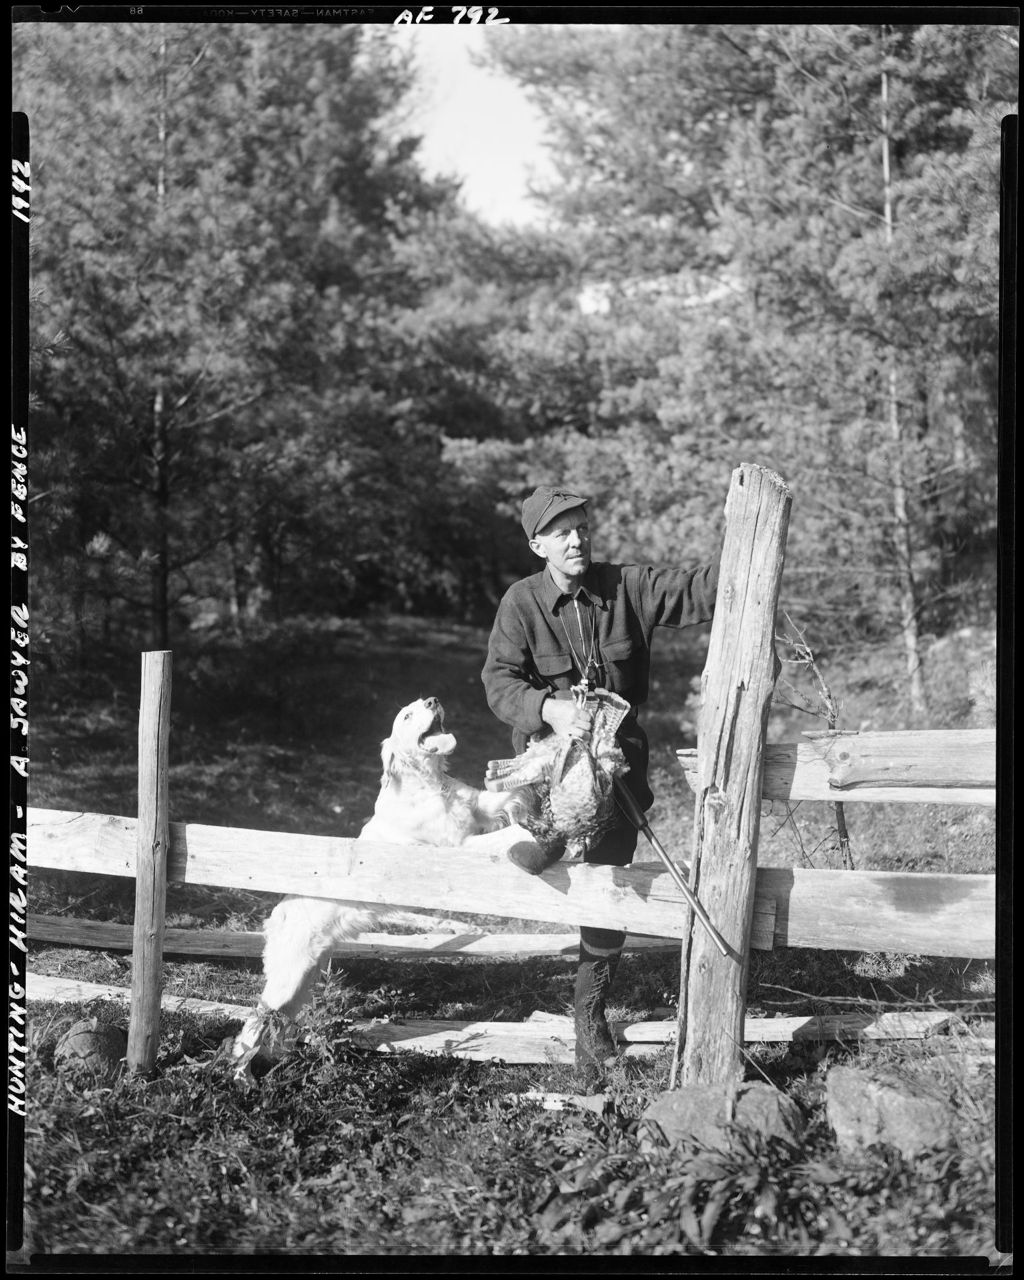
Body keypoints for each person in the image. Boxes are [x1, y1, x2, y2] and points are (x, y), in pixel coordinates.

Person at [482, 484, 719, 1089]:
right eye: (561, 531)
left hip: (618, 766)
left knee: (610, 884)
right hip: (550, 765)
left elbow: (699, 589)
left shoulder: (626, 586)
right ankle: (541, 836)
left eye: (582, 527)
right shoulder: (520, 603)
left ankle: (590, 1017)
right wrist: (549, 709)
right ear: (538, 544)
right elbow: (498, 684)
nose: (576, 539)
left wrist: (749, 541)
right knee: (545, 852)